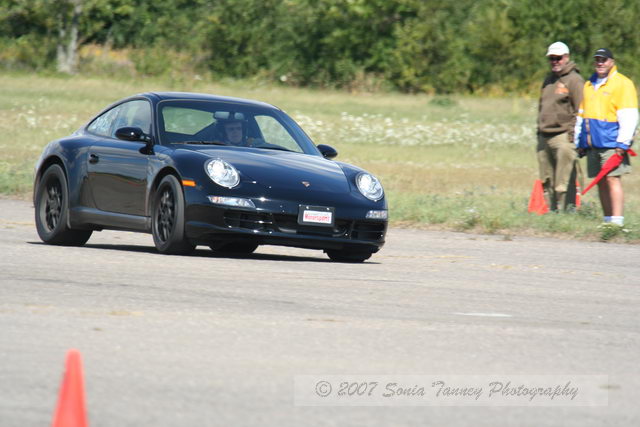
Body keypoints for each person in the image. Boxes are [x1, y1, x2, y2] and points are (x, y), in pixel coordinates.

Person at [575, 48, 638, 226]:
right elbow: (582, 114)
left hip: (612, 142)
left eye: (604, 59)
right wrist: (580, 140)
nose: (600, 63)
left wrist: (623, 142)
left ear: (612, 62)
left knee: (612, 179)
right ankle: (607, 221)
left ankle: (617, 222)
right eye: (597, 59)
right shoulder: (589, 85)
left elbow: (629, 115)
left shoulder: (622, 83)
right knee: (600, 181)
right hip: (593, 143)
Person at [536, 41, 584, 211]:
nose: (555, 61)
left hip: (563, 135)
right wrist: (539, 132)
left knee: (563, 180)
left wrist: (573, 136)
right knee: (547, 179)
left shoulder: (575, 80)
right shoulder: (548, 80)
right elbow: (542, 107)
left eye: (558, 58)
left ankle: (567, 213)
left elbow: (580, 110)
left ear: (566, 57)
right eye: (552, 58)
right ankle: (552, 213)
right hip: (545, 136)